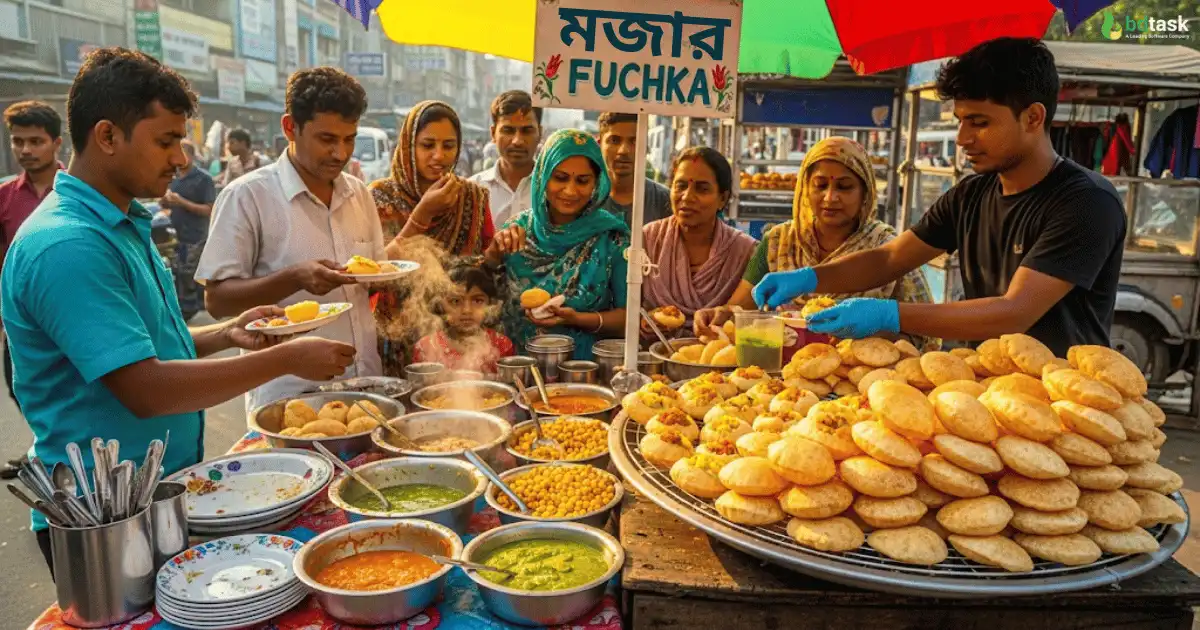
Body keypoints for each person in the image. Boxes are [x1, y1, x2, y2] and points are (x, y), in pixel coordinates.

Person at [0, 48, 354, 574]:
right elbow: (145, 388)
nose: (181, 159)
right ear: (107, 136)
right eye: (166, 140)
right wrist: (286, 359)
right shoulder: (67, 244)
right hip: (103, 516)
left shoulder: (120, 223)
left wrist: (229, 333)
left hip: (167, 491)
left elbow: (151, 343)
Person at [753, 38, 1126, 357]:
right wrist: (809, 278)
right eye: (960, 121)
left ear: (1032, 117)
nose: (963, 138)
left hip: (1064, 400)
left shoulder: (1086, 203)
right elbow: (890, 258)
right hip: (987, 385)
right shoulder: (972, 194)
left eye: (979, 123)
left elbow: (1015, 311)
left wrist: (890, 315)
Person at [197, 66, 384, 411]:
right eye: (327, 139)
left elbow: (371, 281)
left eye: (349, 139)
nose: (340, 154)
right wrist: (293, 278)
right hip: (289, 400)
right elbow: (217, 300)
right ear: (290, 128)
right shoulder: (247, 197)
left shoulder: (359, 193)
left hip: (365, 386)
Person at [695, 136, 936, 348]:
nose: (830, 197)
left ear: (865, 193)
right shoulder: (778, 242)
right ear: (804, 190)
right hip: (783, 384)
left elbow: (922, 335)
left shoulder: (889, 248)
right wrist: (719, 314)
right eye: (820, 186)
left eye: (844, 187)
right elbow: (739, 309)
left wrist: (870, 332)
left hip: (860, 383)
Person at [368, 100, 494, 375]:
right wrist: (421, 216)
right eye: (427, 145)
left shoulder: (473, 197)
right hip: (398, 336)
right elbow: (372, 273)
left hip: (461, 341)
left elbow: (486, 269)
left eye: (448, 146)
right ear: (408, 146)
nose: (439, 155)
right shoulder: (379, 198)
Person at [490, 129, 631, 359]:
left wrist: (577, 319)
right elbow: (485, 299)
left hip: (583, 371)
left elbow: (628, 317)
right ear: (543, 177)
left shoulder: (612, 238)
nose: (570, 191)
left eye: (583, 181)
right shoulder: (517, 230)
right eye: (560, 178)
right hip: (518, 366)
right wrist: (493, 255)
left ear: (596, 182)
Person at [0, 101, 64, 480]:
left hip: (74, 317)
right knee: (22, 388)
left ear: (56, 143)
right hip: (23, 323)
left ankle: (56, 455)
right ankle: (45, 449)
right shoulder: (6, 198)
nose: (25, 150)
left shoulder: (79, 191)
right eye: (18, 141)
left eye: (35, 141)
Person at [642, 147, 757, 327]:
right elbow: (629, 309)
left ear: (722, 198)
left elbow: (751, 320)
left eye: (702, 189)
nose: (687, 197)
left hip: (719, 352)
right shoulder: (648, 240)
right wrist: (645, 323)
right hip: (651, 352)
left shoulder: (745, 251)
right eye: (680, 186)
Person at [413, 263, 515, 373]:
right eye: (455, 301)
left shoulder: (501, 345)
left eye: (477, 301)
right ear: (441, 305)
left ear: (490, 304)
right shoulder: (426, 347)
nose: (467, 310)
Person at [160, 140, 215, 321]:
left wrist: (181, 201)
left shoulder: (203, 179)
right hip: (177, 235)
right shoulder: (174, 178)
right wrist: (166, 202)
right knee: (179, 273)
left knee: (189, 274)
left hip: (195, 236)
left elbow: (209, 209)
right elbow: (168, 205)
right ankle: (189, 310)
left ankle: (195, 312)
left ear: (190, 156)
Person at [469, 90, 541, 227]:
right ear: (493, 133)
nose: (517, 141)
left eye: (527, 131)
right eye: (508, 130)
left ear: (540, 133)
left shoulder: (554, 191)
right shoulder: (472, 191)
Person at [595, 112, 672, 227]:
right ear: (600, 144)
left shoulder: (665, 200)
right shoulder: (584, 196)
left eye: (634, 141)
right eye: (615, 140)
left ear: (646, 146)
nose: (623, 150)